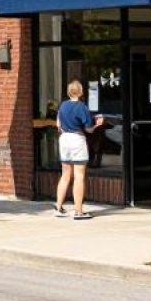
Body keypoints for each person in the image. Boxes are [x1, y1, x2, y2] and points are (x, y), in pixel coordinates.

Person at [54, 79, 104, 220]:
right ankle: (78, 211)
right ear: (81, 92)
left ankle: (58, 207)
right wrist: (97, 125)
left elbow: (58, 123)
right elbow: (88, 129)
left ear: (69, 92)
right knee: (79, 176)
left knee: (65, 175)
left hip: (64, 139)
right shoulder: (82, 107)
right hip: (77, 139)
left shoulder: (63, 105)